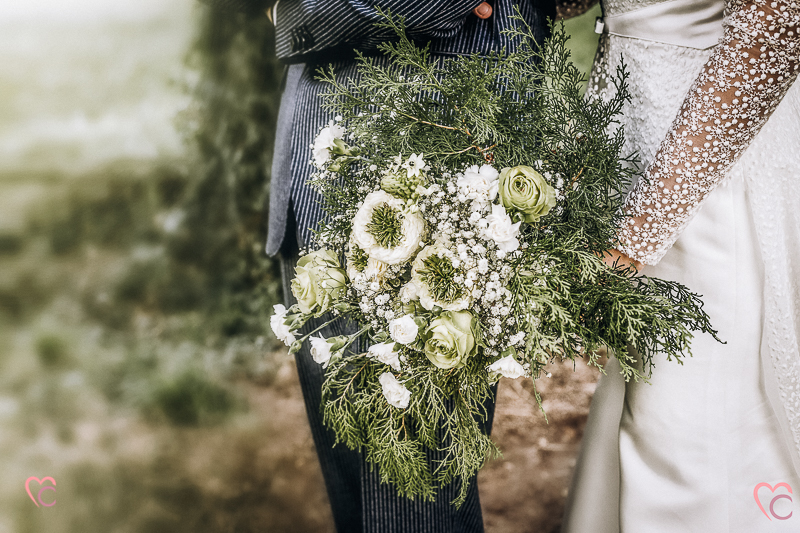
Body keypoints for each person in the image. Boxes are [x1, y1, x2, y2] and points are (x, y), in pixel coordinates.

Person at [199, 1, 555, 532]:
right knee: (352, 491)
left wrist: (297, 12)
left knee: (413, 506)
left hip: (434, 145)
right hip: (309, 151)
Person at [562, 0, 800, 530]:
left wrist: (641, 230)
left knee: (692, 416)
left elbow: (775, 29)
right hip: (629, 129)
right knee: (644, 390)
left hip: (710, 162)